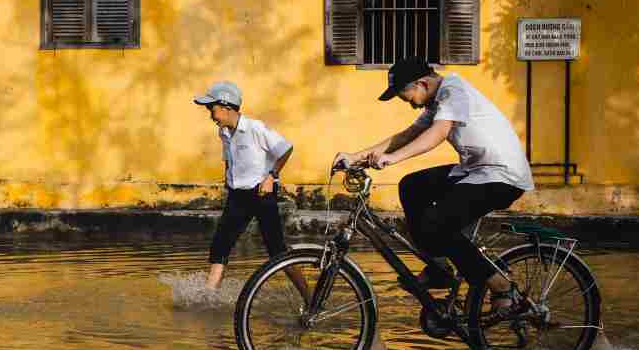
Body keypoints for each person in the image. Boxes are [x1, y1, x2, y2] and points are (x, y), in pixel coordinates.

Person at [333, 58, 535, 321]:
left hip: (502, 175)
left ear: (422, 83)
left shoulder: (454, 91)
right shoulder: (437, 99)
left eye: (407, 97)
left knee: (436, 224)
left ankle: (501, 287)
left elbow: (438, 133)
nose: (410, 104)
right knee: (412, 186)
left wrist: (393, 159)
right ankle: (439, 267)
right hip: (476, 171)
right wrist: (356, 156)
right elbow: (408, 135)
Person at [194, 81, 306, 300]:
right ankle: (208, 297)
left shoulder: (255, 128)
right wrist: (228, 180)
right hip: (237, 196)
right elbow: (230, 160)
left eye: (212, 109)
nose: (211, 115)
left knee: (277, 251)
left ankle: (310, 298)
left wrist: (272, 176)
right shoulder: (224, 133)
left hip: (261, 194)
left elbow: (286, 148)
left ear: (226, 107)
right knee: (220, 245)